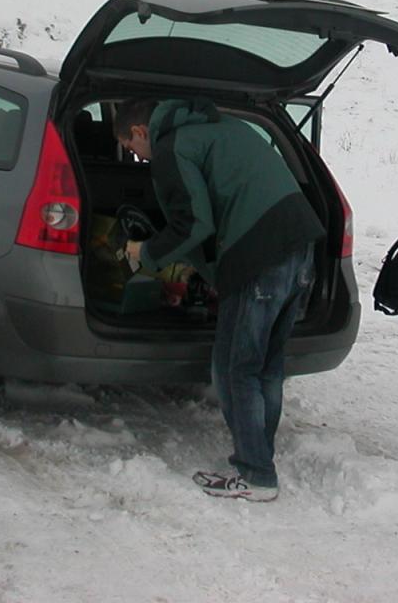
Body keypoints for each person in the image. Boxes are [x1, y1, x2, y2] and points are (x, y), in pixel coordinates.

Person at [114, 98, 323, 502]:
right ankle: (259, 454)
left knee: (234, 368)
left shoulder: (172, 148)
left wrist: (146, 254)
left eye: (131, 146)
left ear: (140, 131)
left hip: (259, 255)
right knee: (266, 365)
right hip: (301, 245)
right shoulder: (218, 125)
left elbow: (195, 223)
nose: (136, 156)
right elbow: (218, 209)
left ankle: (257, 474)